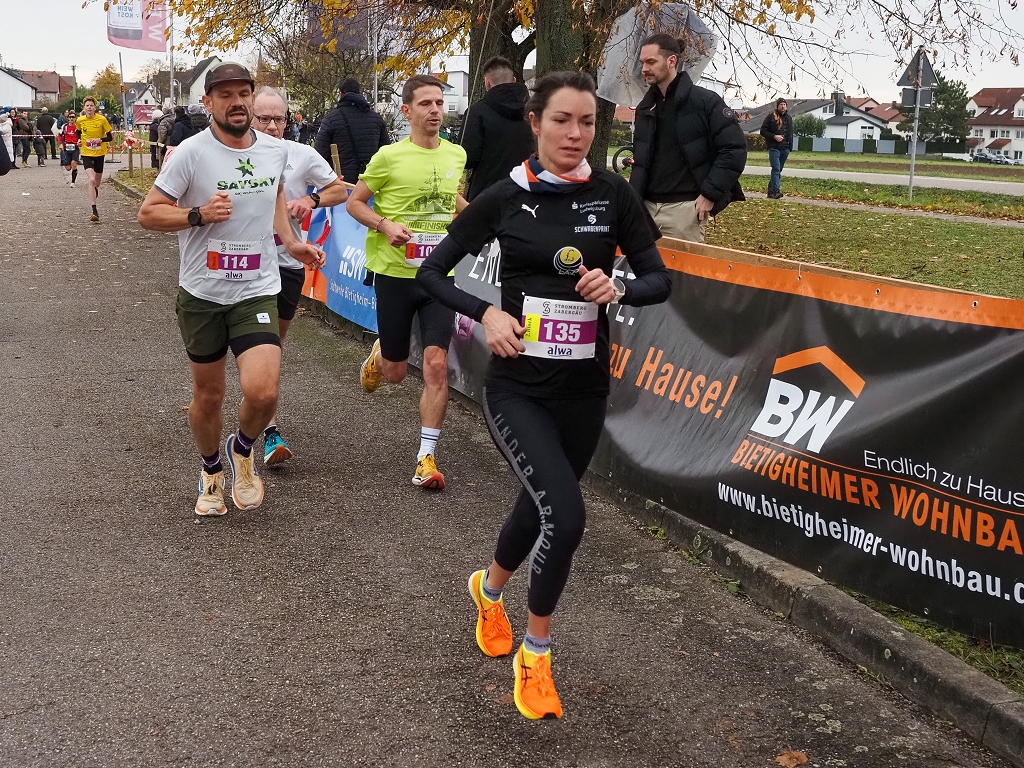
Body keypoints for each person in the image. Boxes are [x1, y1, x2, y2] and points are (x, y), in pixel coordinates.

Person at [417, 71, 671, 720]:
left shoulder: (612, 194)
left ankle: (488, 589)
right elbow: (432, 272)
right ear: (535, 123)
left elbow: (659, 280)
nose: (575, 134)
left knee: (540, 509)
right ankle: (536, 654)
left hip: (584, 388)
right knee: (568, 513)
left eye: (587, 122)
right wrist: (485, 314)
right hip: (517, 389)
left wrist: (620, 288)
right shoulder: (506, 197)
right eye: (562, 120)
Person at [137, 62, 326, 516]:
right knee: (209, 397)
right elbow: (149, 213)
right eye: (225, 95)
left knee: (263, 393)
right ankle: (210, 471)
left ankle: (241, 450)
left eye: (243, 93)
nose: (236, 101)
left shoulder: (275, 151)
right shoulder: (190, 153)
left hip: (256, 288)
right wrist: (198, 214)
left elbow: (274, 194)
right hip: (202, 294)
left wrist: (291, 243)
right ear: (208, 102)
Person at [345, 74, 467, 490]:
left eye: (439, 103)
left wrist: (481, 216)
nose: (435, 110)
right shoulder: (388, 157)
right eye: (426, 104)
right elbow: (354, 202)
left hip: (439, 276)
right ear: (406, 110)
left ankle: (426, 457)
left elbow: (449, 197)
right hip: (395, 274)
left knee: (436, 363)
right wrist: (384, 225)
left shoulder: (455, 154)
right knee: (397, 373)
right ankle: (381, 356)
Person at [250, 86, 349, 465]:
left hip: (287, 264)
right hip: (245, 265)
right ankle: (269, 428)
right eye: (264, 119)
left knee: (273, 345)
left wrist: (311, 199)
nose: (271, 126)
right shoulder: (232, 156)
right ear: (250, 117)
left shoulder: (301, 155)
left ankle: (263, 418)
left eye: (278, 119)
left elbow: (339, 190)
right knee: (256, 346)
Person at [629, 33, 746, 243]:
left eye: (651, 62)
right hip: (645, 210)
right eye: (642, 62)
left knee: (684, 267)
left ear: (671, 61)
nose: (644, 68)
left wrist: (709, 194)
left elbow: (734, 149)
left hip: (685, 211)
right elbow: (641, 161)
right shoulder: (645, 108)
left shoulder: (705, 102)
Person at [460, 56, 535, 201]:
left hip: (487, 197)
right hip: (528, 194)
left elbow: (466, 158)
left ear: (487, 82)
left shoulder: (476, 112)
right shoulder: (535, 112)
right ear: (514, 80)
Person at [315, 78, 390, 184]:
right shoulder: (376, 119)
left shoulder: (331, 120)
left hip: (343, 184)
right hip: (370, 182)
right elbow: (386, 152)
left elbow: (319, 156)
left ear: (340, 94)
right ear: (360, 92)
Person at [76, 97, 113, 223]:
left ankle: (95, 188)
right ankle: (94, 211)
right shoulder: (80, 120)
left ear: (95, 108)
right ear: (84, 108)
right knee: (91, 180)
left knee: (97, 183)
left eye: (91, 105)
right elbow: (78, 132)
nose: (89, 108)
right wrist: (79, 140)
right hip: (86, 153)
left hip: (99, 153)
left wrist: (100, 140)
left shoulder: (102, 119)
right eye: (87, 105)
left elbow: (110, 137)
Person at [760, 98, 793, 199]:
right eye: (781, 105)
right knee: (776, 168)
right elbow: (763, 131)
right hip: (774, 147)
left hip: (785, 148)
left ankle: (771, 192)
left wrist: (790, 146)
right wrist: (774, 136)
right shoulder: (771, 117)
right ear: (778, 106)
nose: (783, 106)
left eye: (784, 104)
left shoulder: (788, 118)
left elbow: (790, 132)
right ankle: (776, 191)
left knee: (778, 170)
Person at [59, 115, 80, 186]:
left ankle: (73, 182)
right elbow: (59, 135)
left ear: (75, 118)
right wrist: (61, 143)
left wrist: (80, 142)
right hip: (67, 148)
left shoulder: (78, 127)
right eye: (70, 117)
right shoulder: (64, 127)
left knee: (74, 164)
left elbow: (83, 135)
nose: (71, 118)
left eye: (73, 117)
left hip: (75, 147)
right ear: (68, 118)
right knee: (68, 168)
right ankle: (71, 165)